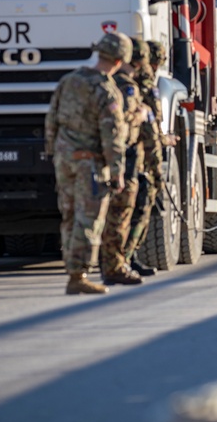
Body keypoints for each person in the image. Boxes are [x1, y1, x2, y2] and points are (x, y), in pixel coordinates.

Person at [44, 32, 130, 295]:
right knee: (88, 219)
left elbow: (52, 119)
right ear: (118, 60)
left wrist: (54, 152)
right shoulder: (106, 90)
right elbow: (112, 136)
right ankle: (78, 275)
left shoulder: (69, 81)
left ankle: (72, 270)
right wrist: (117, 171)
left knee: (69, 215)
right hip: (89, 165)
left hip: (64, 160)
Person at [99, 38, 151, 285]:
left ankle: (120, 262)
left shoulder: (105, 83)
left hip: (121, 155)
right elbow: (122, 121)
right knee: (121, 214)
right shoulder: (125, 85)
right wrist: (140, 115)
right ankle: (115, 265)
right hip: (124, 155)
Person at [125, 39, 166, 274]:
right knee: (139, 205)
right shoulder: (145, 82)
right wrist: (157, 170)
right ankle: (126, 258)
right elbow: (151, 127)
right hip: (136, 154)